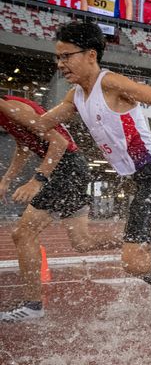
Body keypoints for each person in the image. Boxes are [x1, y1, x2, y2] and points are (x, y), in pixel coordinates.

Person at [22, 21, 151, 330]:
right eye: (58, 57)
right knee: (141, 261)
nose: (60, 63)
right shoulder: (75, 97)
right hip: (143, 179)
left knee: (134, 259)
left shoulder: (110, 83)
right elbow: (41, 124)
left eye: (66, 56)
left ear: (90, 55)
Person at [0, 95, 122, 322]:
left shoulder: (13, 108)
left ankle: (33, 306)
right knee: (82, 242)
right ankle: (140, 238)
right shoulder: (7, 116)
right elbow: (23, 147)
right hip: (72, 169)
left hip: (67, 169)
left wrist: (37, 180)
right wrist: (6, 180)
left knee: (23, 234)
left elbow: (59, 143)